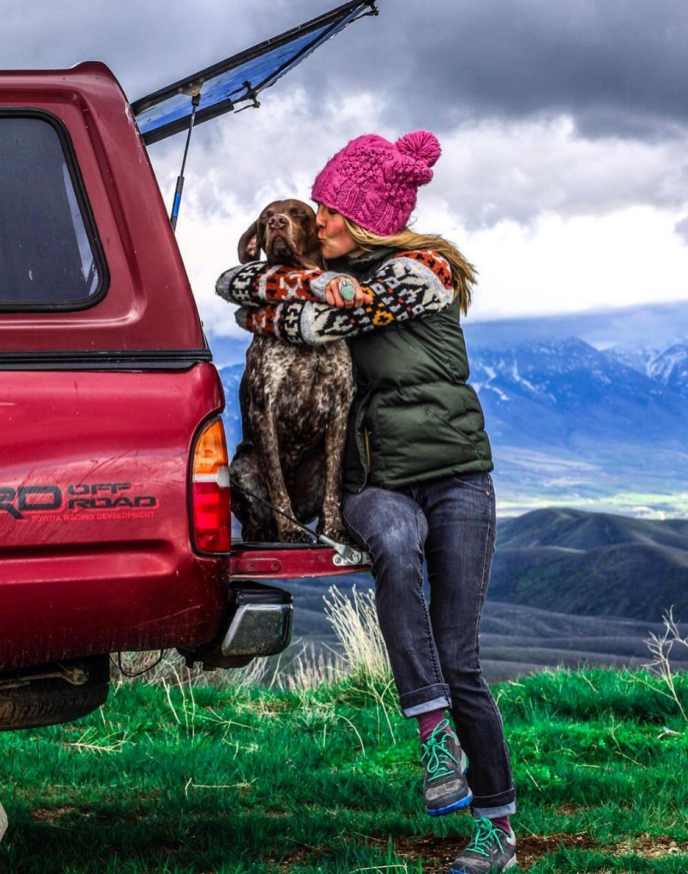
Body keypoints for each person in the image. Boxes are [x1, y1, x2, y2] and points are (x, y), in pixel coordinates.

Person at [217, 131, 517, 874]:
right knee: (386, 541)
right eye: (313, 211)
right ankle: (431, 736)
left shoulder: (423, 273)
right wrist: (285, 287)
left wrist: (280, 295)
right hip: (378, 483)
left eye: (327, 211)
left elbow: (310, 319)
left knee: (463, 659)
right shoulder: (337, 274)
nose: (316, 222)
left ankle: (497, 830)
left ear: (363, 218)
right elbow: (233, 284)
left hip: (456, 477)